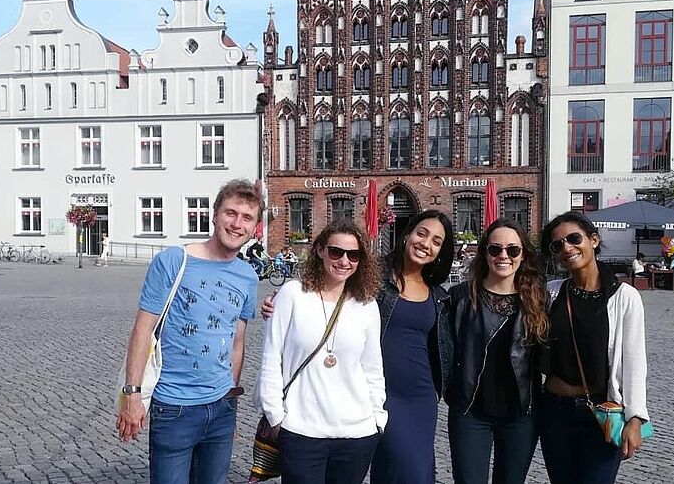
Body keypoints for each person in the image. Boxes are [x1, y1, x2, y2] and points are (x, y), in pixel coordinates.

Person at [116, 179, 263, 484]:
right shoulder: (173, 260)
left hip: (221, 407)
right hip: (174, 406)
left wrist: (231, 401)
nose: (237, 224)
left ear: (255, 227)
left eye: (247, 218)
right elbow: (143, 329)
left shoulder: (248, 276)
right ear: (215, 215)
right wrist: (132, 394)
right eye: (231, 213)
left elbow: (237, 341)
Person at [256, 219, 386, 484]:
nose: (344, 261)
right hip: (302, 431)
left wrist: (377, 419)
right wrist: (276, 416)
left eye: (353, 255)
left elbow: (372, 368)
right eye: (336, 252)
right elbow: (271, 357)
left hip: (357, 433)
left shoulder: (366, 305)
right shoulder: (293, 294)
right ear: (320, 250)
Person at [539, 211, 649, 484]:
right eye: (557, 245)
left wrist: (636, 418)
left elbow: (634, 362)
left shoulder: (624, 297)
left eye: (574, 239)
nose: (567, 248)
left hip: (603, 413)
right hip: (555, 412)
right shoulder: (550, 293)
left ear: (594, 240)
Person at [446, 219, 549, 484]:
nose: (503, 256)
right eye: (495, 249)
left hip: (520, 413)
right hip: (470, 411)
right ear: (484, 253)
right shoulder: (460, 298)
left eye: (512, 250)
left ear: (523, 254)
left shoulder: (539, 300)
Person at [371, 210, 455, 484]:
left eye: (436, 241)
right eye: (422, 233)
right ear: (407, 235)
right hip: (380, 392)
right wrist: (282, 300)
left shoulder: (438, 295)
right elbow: (330, 292)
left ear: (440, 252)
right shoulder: (374, 278)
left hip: (421, 396)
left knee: (417, 471)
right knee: (392, 467)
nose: (426, 243)